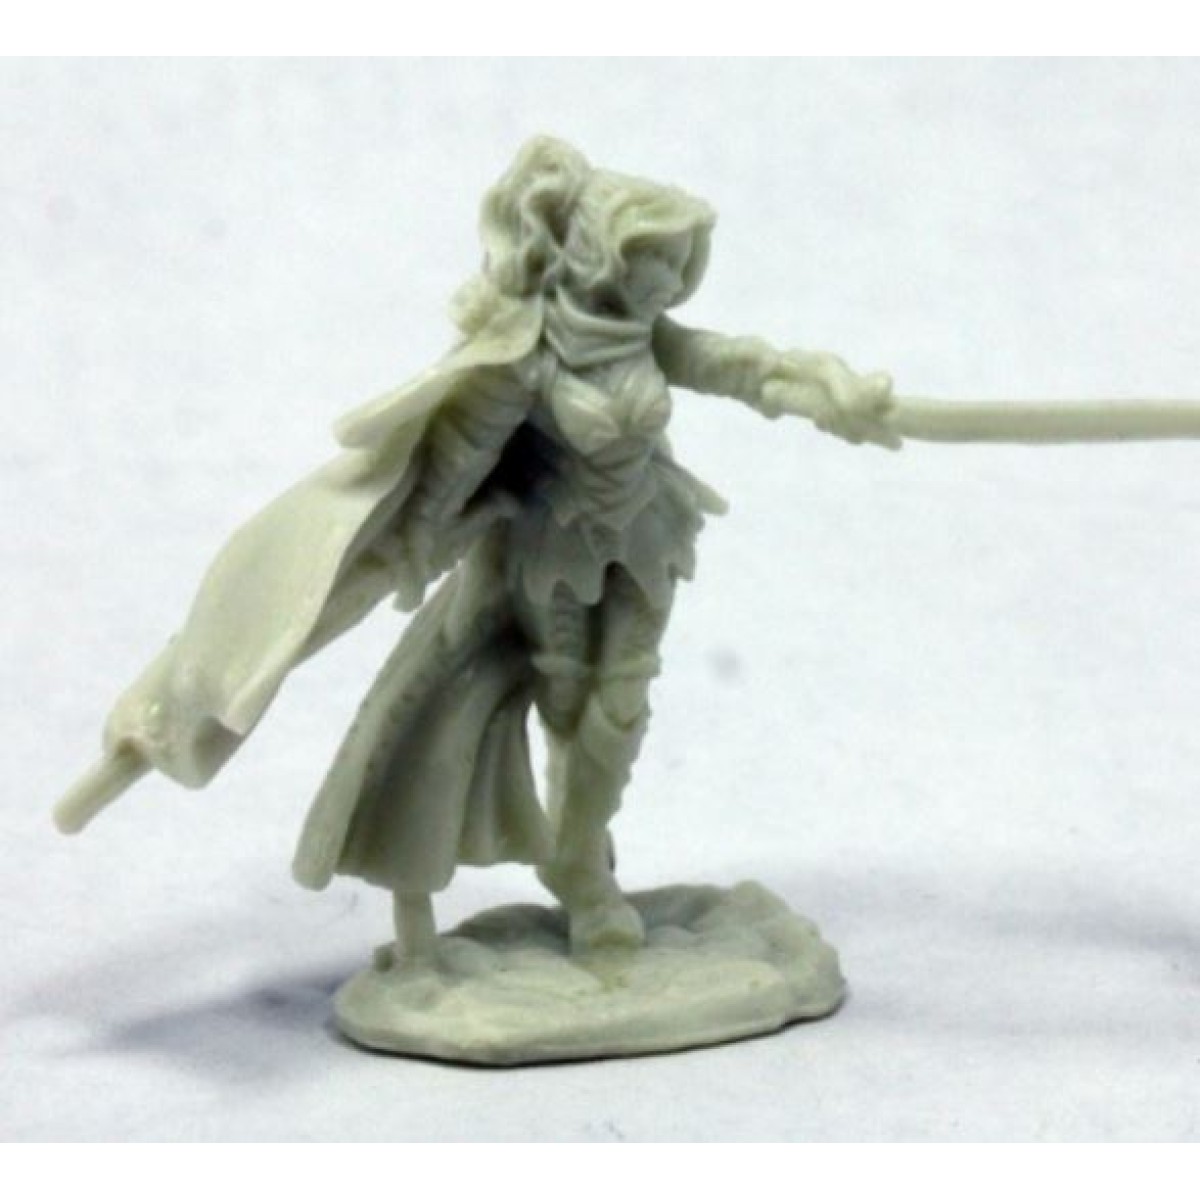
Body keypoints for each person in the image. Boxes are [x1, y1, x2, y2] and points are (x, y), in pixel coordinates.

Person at [55, 137, 895, 965]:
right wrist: (415, 541)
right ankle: (578, 866)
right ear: (602, 258)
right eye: (655, 262)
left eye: (680, 262)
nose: (669, 282)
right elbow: (459, 459)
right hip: (547, 548)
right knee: (567, 703)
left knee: (624, 700)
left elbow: (740, 366)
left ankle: (580, 862)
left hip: (645, 532)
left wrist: (831, 393)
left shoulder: (647, 337)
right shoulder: (523, 359)